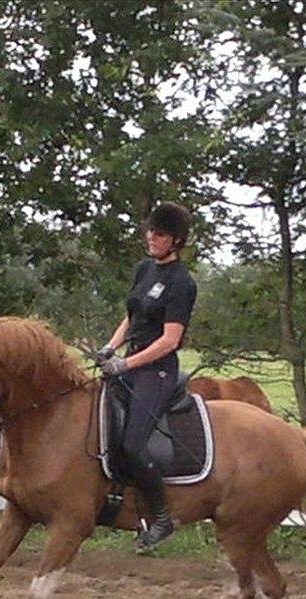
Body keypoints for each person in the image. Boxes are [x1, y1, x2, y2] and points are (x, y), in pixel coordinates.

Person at [97, 201, 197, 549]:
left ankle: (161, 519)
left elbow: (170, 340)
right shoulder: (144, 269)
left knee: (132, 444)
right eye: (150, 231)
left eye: (160, 234)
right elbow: (133, 316)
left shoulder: (182, 283)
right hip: (129, 363)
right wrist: (110, 348)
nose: (151, 237)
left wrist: (127, 363)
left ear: (177, 241)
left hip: (155, 373)